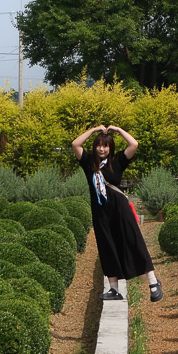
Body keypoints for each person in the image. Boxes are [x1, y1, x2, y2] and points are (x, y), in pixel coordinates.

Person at [71, 123, 162, 302]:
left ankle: (153, 282)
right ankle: (114, 289)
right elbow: (75, 144)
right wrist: (93, 131)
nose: (101, 149)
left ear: (110, 148)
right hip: (101, 213)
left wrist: (119, 130)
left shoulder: (118, 161)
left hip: (120, 210)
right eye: (98, 145)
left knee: (134, 241)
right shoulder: (89, 163)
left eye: (105, 145)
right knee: (107, 247)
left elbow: (133, 144)